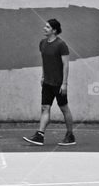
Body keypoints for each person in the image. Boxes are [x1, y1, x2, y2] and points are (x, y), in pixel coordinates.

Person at [23, 18, 75, 146]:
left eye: (47, 27)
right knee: (45, 107)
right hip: (47, 82)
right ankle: (40, 135)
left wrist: (64, 83)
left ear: (54, 30)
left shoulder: (61, 45)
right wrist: (42, 76)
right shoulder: (42, 43)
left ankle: (70, 135)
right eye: (45, 26)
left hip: (59, 84)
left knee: (64, 108)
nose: (44, 29)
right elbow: (45, 62)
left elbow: (66, 65)